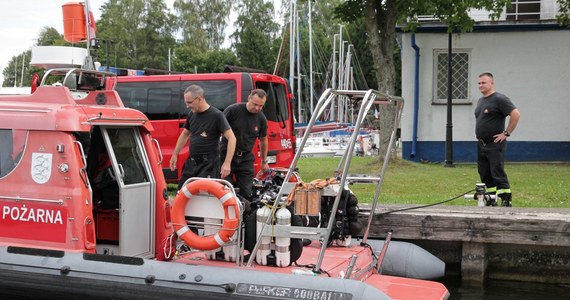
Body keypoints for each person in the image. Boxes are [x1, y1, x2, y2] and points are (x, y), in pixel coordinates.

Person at [170, 85, 236, 190]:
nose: (187, 106)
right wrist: (175, 154)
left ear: (199, 98)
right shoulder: (192, 114)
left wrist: (227, 163)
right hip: (191, 163)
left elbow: (232, 138)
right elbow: (185, 134)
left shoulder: (217, 115)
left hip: (208, 164)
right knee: (181, 192)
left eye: (189, 102)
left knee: (203, 195)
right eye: (186, 102)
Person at [474, 72, 521, 207]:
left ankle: (506, 199)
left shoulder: (499, 99)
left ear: (491, 83)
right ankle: (491, 198)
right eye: (479, 83)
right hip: (481, 143)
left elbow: (515, 114)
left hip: (495, 143)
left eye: (484, 83)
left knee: (497, 171)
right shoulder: (481, 101)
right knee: (484, 173)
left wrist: (506, 133)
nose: (480, 85)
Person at [221, 89, 270, 200]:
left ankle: (245, 214)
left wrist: (264, 161)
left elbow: (263, 140)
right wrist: (225, 162)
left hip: (246, 157)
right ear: (249, 99)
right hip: (227, 155)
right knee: (225, 189)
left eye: (261, 106)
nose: (257, 108)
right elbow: (218, 130)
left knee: (247, 192)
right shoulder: (233, 110)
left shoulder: (261, 118)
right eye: (255, 104)